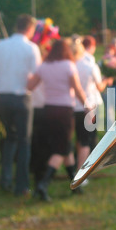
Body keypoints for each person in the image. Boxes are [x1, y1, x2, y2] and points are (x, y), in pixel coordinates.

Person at [0, 14, 42, 197]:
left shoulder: (0, 46)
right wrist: (29, 88)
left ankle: (5, 179)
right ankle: (22, 185)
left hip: (2, 97)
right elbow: (37, 74)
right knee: (24, 141)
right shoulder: (31, 48)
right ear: (30, 29)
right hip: (21, 97)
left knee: (9, 138)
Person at [27, 39, 88, 201]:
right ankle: (43, 184)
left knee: (65, 147)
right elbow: (77, 89)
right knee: (61, 149)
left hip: (48, 110)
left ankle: (75, 185)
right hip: (65, 110)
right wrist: (87, 105)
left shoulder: (44, 66)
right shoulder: (68, 65)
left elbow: (31, 86)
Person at [74, 39, 113, 192]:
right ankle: (82, 173)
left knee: (79, 139)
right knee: (87, 140)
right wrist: (107, 80)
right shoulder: (91, 65)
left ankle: (81, 167)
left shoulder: (73, 63)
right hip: (90, 105)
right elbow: (100, 87)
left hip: (74, 105)